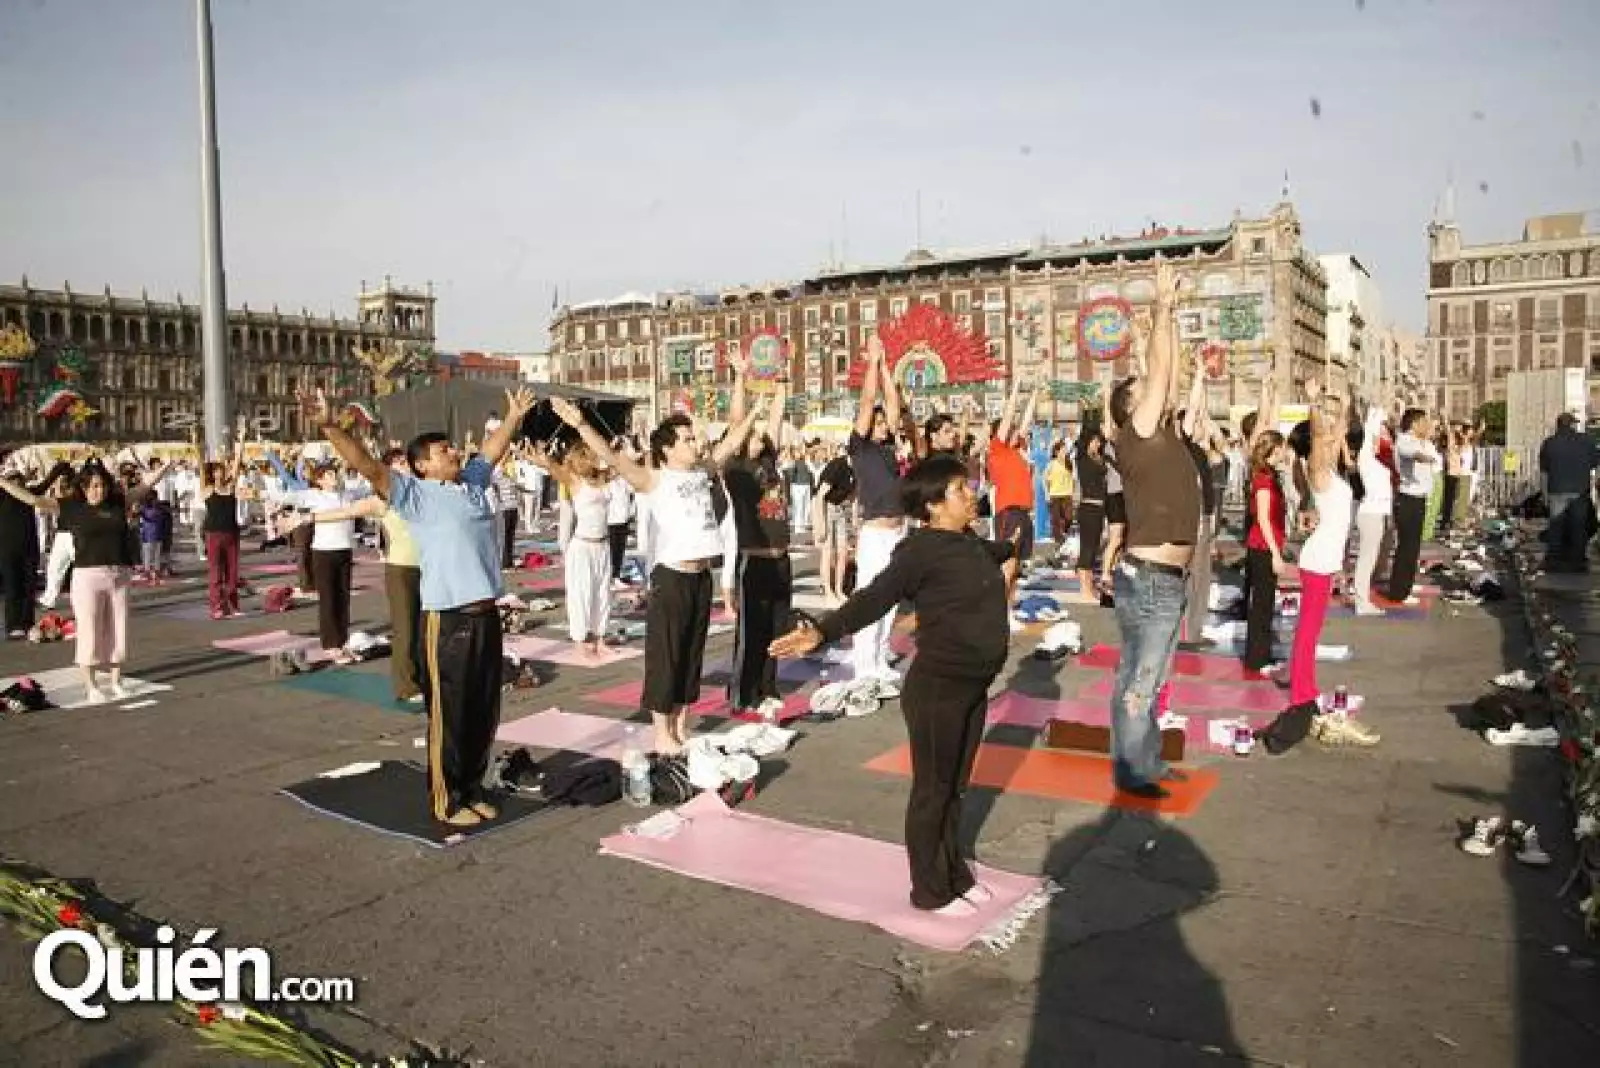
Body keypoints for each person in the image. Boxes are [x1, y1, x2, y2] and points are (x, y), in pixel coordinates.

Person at [771, 454, 1018, 916]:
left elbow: (998, 554)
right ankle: (929, 890)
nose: (971, 496)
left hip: (971, 687)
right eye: (960, 491)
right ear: (933, 506)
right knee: (933, 790)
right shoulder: (919, 552)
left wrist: (1013, 553)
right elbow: (874, 598)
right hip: (938, 689)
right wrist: (822, 630)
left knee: (956, 787)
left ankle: (954, 874)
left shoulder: (967, 543)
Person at [312, 385, 537, 826]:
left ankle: (472, 787)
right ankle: (447, 800)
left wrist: (513, 417)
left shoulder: (471, 483)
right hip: (447, 619)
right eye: (443, 449)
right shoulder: (415, 494)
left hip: (485, 614)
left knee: (482, 711)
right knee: (449, 715)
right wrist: (327, 425)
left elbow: (491, 450)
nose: (454, 451)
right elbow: (365, 463)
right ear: (422, 465)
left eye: (451, 447)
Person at [551, 388, 762, 754]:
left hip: (700, 578)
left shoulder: (703, 472)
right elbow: (611, 457)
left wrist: (758, 407)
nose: (695, 444)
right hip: (672, 577)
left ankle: (680, 725)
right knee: (667, 655)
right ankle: (661, 730)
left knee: (691, 653)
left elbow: (731, 441)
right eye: (687, 439)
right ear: (667, 448)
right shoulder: (654, 479)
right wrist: (581, 424)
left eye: (694, 438)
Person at [1104, 261, 1200, 799]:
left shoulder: (1155, 432)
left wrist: (1163, 325)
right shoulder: (1136, 435)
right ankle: (1133, 771)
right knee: (1141, 680)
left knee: (1149, 679)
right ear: (1131, 407)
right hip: (1151, 579)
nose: (1157, 393)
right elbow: (1162, 374)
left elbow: (1168, 370)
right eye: (1143, 390)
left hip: (1163, 579)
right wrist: (1162, 308)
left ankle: (1144, 761)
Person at [1, 459, 166, 699]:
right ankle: (91, 686)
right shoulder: (71, 507)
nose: (100, 491)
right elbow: (33, 499)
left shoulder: (117, 502)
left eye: (103, 486)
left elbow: (144, 486)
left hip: (119, 575)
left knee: (118, 629)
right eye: (94, 486)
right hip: (87, 577)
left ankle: (116, 681)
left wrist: (163, 468)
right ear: (85, 487)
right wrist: (3, 482)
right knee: (89, 630)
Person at [1273, 383, 1378, 749]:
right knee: (1307, 632)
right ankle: (1303, 694)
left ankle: (1305, 688)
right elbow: (1322, 434)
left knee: (1310, 631)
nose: (1331, 438)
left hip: (1325, 557)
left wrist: (1345, 405)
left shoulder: (1326, 469)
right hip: (1317, 559)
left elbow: (1336, 433)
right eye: (1323, 436)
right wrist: (1314, 400)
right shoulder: (1315, 470)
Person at [722, 367, 792, 720]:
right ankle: (742, 693)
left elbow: (778, 415)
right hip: (754, 560)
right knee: (752, 632)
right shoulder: (736, 469)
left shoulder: (769, 462)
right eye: (753, 434)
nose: (758, 436)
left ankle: (768, 687)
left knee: (778, 629)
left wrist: (781, 381)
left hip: (781, 559)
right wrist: (739, 378)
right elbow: (737, 424)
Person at [848, 334, 912, 684]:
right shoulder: (861, 448)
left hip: (899, 529)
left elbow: (891, 401)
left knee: (891, 597)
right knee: (870, 595)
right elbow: (869, 399)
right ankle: (863, 664)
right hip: (875, 532)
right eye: (879, 423)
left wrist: (887, 365)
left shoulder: (892, 450)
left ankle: (879, 655)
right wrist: (872, 363)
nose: (884, 426)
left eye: (886, 423)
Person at [526, 436, 616, 659]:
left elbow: (622, 464)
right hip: (583, 545)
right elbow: (551, 466)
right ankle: (579, 640)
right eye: (589, 456)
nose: (594, 459)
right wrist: (542, 459)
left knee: (603, 593)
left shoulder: (604, 479)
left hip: (602, 544)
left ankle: (600, 638)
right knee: (581, 593)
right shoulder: (574, 480)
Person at [987, 379, 1043, 628]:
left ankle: (1007, 611)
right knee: (1007, 566)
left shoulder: (1016, 450)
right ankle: (998, 615)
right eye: (1007, 431)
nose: (1014, 433)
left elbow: (1026, 420)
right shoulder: (997, 450)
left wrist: (1036, 391)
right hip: (1008, 513)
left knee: (1016, 567)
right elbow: (1010, 417)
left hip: (1022, 513)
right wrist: (1017, 388)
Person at [1387, 408, 1439, 602]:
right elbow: (1412, 454)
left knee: (1413, 546)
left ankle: (1406, 584)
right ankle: (1398, 592)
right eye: (1424, 422)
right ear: (1415, 424)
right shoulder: (1405, 440)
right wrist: (1424, 457)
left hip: (1418, 498)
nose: (1428, 425)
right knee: (1406, 547)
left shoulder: (1420, 441)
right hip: (1408, 499)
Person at [1538, 411, 1598, 572]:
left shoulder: (1549, 443)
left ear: (1558, 425)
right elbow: (1594, 464)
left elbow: (1544, 471)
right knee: (1578, 526)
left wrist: (1544, 494)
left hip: (1557, 490)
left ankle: (1554, 560)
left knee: (1556, 525)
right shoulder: (1586, 441)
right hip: (1580, 491)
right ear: (1571, 425)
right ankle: (1577, 561)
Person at [199, 430, 248, 619]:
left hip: (232, 533)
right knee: (216, 573)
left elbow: (236, 463)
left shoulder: (231, 487)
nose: (219, 473)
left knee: (233, 573)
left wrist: (241, 441)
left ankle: (233, 605)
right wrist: (198, 445)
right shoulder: (207, 489)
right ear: (212, 473)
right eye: (216, 470)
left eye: (221, 470)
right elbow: (201, 468)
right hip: (214, 535)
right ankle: (217, 607)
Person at [1351, 401, 1393, 614]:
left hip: (1379, 514)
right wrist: (1374, 418)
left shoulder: (1380, 463)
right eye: (1379, 437)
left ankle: (1363, 595)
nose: (1381, 440)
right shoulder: (1366, 460)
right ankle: (1361, 601)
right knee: (1366, 559)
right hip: (1370, 514)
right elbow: (1369, 436)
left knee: (1374, 557)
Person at [812, 442, 855, 606]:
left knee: (843, 551)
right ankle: (828, 590)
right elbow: (820, 496)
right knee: (827, 550)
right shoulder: (838, 465)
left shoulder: (857, 471)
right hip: (825, 506)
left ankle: (839, 589)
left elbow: (854, 496)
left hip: (841, 508)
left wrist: (855, 520)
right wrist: (820, 522)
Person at [1073, 424, 1108, 605]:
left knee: (1094, 549)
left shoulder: (1098, 458)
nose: (1098, 444)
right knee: (1087, 548)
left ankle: (1090, 586)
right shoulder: (1083, 460)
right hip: (1088, 507)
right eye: (1095, 441)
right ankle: (1084, 588)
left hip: (1099, 509)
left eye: (1099, 441)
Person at [605, 459, 635, 585]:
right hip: (611, 521)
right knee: (612, 550)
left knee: (620, 549)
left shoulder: (623, 481)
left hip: (623, 520)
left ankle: (616, 575)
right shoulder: (608, 484)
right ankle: (610, 577)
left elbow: (633, 489)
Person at [1044, 439, 1074, 555]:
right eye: (1062, 449)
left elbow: (1073, 479)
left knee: (1068, 518)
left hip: (1067, 495)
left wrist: (1072, 492)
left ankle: (1064, 534)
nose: (1064, 451)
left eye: (1065, 449)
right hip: (1055, 495)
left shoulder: (1069, 463)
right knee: (1055, 521)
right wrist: (1047, 493)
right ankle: (1059, 543)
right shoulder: (1052, 464)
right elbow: (1044, 479)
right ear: (1056, 452)